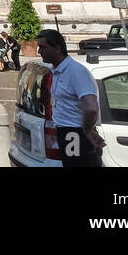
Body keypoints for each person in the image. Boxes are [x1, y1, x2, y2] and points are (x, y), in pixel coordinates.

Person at [37, 29, 103, 167]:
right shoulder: (56, 71)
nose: (39, 51)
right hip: (67, 133)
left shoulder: (75, 71)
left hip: (74, 134)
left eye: (43, 47)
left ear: (57, 48)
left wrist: (86, 129)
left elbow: (91, 108)